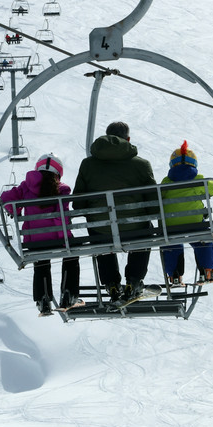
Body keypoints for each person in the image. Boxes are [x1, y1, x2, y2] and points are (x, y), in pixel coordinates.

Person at [73, 122, 157, 302]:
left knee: (98, 229)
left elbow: (78, 203)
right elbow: (153, 202)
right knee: (146, 229)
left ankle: (111, 283)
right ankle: (133, 281)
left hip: (102, 232)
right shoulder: (141, 165)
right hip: (135, 229)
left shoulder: (88, 164)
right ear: (127, 140)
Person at [1, 153, 80, 314]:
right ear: (58, 173)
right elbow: (61, 216)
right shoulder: (62, 189)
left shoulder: (26, 186)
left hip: (33, 241)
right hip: (59, 239)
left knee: (41, 261)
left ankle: (43, 299)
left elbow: (6, 199)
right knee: (72, 254)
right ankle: (68, 293)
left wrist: (13, 209)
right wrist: (64, 237)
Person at [160, 141, 213, 284]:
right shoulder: (198, 180)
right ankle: (207, 271)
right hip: (195, 224)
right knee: (203, 240)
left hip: (171, 226)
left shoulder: (166, 182)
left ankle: (174, 275)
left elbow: (159, 197)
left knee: (171, 243)